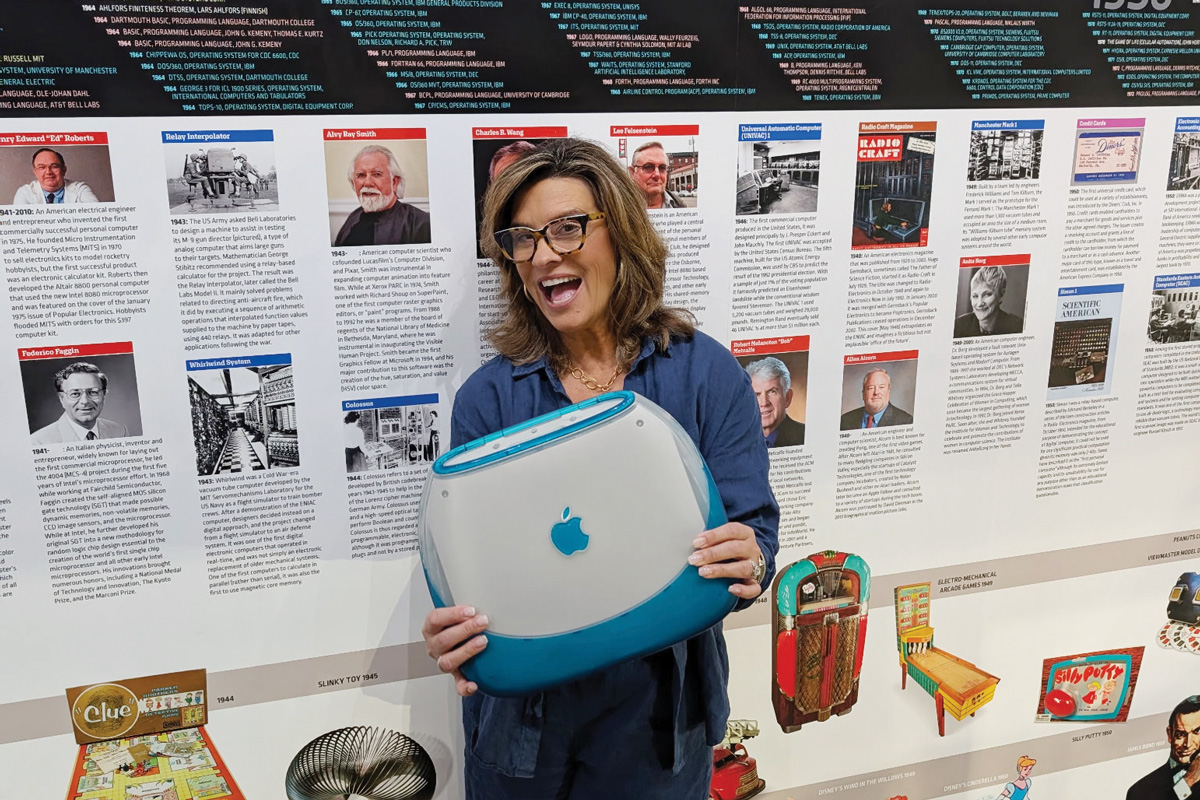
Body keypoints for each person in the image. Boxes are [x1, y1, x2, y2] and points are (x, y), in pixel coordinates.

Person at [421, 138, 778, 798]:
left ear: (621, 233)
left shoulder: (703, 373)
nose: (546, 254)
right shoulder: (491, 398)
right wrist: (456, 628)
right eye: (524, 238)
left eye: (567, 228)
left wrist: (749, 560)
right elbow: (473, 566)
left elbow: (756, 535)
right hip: (521, 724)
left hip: (660, 719)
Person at [334, 144, 432, 247]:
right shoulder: (353, 217)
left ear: (394, 182)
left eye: (377, 174)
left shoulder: (420, 223)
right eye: (361, 175)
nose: (368, 183)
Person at [31, 362, 129, 443]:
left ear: (104, 395)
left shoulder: (120, 432)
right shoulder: (38, 442)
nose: (85, 401)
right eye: (75, 394)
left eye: (93, 392)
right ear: (61, 399)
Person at [1128, 696, 1200, 799]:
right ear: (1170, 735)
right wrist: (1189, 780)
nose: (1188, 744)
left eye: (1197, 732)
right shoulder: (1140, 791)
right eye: (1181, 734)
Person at [745, 357, 805, 447]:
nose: (764, 403)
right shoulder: (737, 439)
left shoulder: (804, 435)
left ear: (787, 398)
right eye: (756, 394)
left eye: (772, 391)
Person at [954, 266, 1023, 337]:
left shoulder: (1017, 327)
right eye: (975, 296)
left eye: (987, 294)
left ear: (1001, 295)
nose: (979, 303)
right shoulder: (959, 326)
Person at [13, 148, 99, 205]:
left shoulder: (80, 189)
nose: (48, 172)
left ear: (64, 170)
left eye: (54, 166)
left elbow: (97, 217)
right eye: (41, 167)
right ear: (35, 172)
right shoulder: (25, 193)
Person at [839, 367, 913, 430]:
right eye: (871, 388)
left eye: (881, 387)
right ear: (863, 393)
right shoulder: (845, 420)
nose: (876, 392)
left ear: (888, 391)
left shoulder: (905, 421)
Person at [628, 141, 684, 209]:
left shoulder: (680, 206)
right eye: (648, 167)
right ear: (632, 172)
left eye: (662, 168)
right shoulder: (619, 209)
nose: (657, 175)